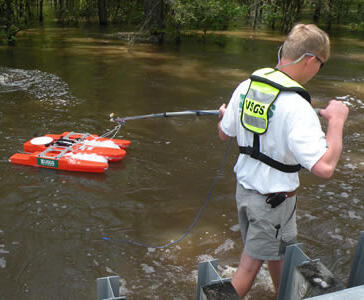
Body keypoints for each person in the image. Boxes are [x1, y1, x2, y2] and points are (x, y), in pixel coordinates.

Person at [217, 23, 349, 298]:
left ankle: (282, 293)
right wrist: (336, 121)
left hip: (247, 194)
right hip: (272, 203)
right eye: (320, 65)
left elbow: (223, 132)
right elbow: (324, 167)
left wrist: (224, 114)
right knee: (248, 269)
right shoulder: (297, 105)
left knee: (278, 253)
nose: (317, 71)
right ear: (311, 59)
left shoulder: (246, 86)